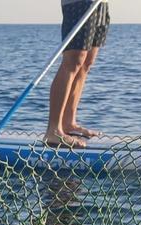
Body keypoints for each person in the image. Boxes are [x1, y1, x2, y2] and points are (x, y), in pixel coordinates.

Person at [45, 0, 112, 148]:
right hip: (79, 3)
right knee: (74, 59)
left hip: (101, 4)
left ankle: (68, 123)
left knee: (87, 62)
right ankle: (53, 130)